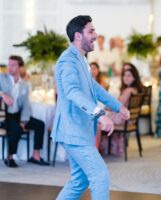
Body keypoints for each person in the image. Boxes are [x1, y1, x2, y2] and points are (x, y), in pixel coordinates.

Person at [51, 15, 130, 200]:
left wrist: (118, 106)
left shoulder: (80, 59)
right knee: (100, 176)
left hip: (80, 130)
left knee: (80, 181)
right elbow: (72, 92)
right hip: (73, 130)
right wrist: (100, 114)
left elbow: (94, 88)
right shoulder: (67, 60)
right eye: (91, 31)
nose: (96, 34)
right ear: (78, 36)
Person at [0, 55, 49, 167]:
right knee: (16, 129)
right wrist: (2, 94)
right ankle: (10, 157)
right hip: (6, 117)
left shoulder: (24, 85)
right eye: (9, 64)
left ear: (20, 67)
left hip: (18, 116)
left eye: (13, 65)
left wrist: (23, 121)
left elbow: (26, 105)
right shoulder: (2, 78)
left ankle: (35, 155)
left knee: (40, 125)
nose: (10, 67)